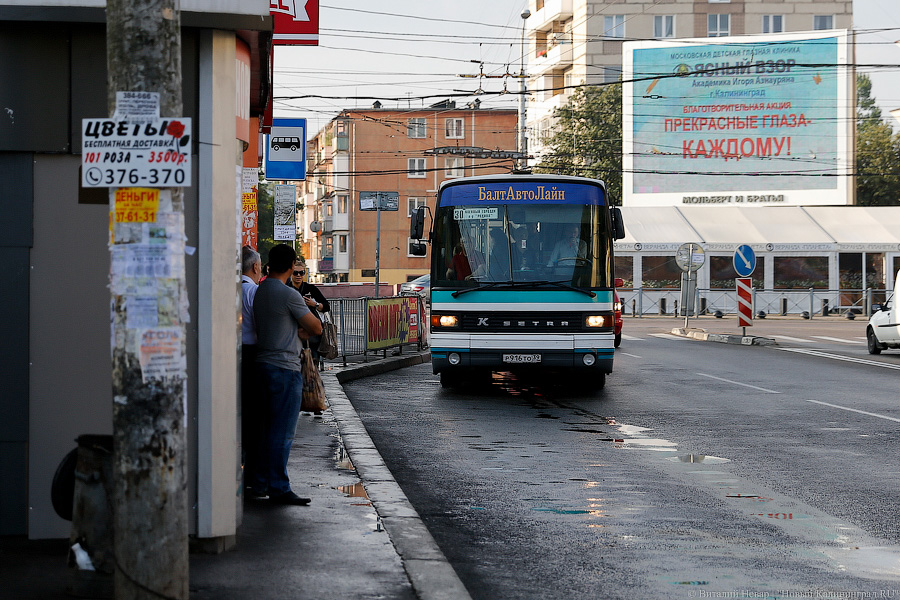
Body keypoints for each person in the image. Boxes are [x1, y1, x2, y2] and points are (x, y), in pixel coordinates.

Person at [252, 244, 323, 505]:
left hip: (262, 364)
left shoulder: (261, 290)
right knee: (282, 432)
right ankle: (279, 487)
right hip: (284, 367)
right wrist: (301, 328)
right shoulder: (288, 294)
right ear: (292, 265)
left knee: (264, 430)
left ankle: (259, 482)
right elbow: (316, 327)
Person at [240, 246, 266, 499]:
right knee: (254, 418)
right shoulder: (253, 292)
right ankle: (252, 478)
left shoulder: (229, 289)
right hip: (252, 355)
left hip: (232, 355)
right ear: (256, 267)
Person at [289, 261, 330, 362]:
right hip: (293, 330)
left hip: (311, 331)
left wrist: (314, 304)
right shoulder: (287, 288)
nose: (298, 275)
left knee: (313, 360)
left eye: (301, 273)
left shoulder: (310, 288)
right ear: (291, 273)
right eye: (295, 273)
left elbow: (326, 306)